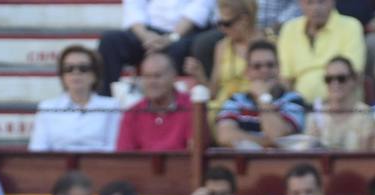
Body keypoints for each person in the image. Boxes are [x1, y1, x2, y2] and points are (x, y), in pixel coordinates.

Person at [96, 0, 217, 96]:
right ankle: (106, 100)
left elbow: (200, 7)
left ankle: (173, 105)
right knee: (111, 41)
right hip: (148, 32)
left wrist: (171, 38)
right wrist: (145, 36)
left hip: (187, 32)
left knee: (177, 50)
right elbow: (133, 6)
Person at [27, 44, 122, 152]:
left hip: (99, 166)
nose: (75, 72)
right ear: (62, 76)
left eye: (83, 68)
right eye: (68, 68)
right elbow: (38, 150)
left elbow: (113, 149)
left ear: (95, 74)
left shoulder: (112, 106)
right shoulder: (47, 108)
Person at [213, 39, 306, 148]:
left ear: (279, 69)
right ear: (247, 72)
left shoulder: (294, 99)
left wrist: (263, 97)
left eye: (270, 65)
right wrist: (268, 144)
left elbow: (277, 135)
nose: (264, 70)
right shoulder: (236, 100)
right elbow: (225, 136)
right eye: (257, 66)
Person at [185, 0, 263, 129]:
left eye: (226, 23)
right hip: (224, 107)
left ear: (244, 19)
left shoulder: (267, 45)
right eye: (219, 23)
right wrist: (200, 75)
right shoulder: (222, 46)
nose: (222, 29)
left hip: (254, 106)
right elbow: (213, 93)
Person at [276, 0, 365, 105]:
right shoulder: (289, 29)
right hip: (300, 107)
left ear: (332, 2)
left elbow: (352, 75)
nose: (316, 8)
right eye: (310, 2)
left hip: (340, 106)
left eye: (321, 2)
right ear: (300, 4)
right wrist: (294, 106)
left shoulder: (351, 26)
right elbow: (285, 78)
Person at [115, 52, 193, 150]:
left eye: (157, 76)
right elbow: (124, 158)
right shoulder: (132, 113)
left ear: (173, 77)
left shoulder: (192, 107)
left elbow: (195, 154)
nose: (151, 82)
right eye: (147, 76)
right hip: (141, 165)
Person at [306, 55, 375, 150]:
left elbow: (363, 157)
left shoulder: (366, 114)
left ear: (353, 80)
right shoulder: (316, 115)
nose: (335, 84)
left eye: (341, 78)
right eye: (329, 79)